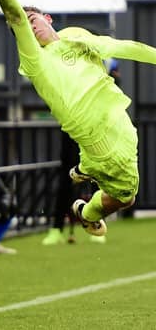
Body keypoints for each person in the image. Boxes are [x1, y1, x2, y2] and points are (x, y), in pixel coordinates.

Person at [0, 0, 156, 237]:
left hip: (119, 120)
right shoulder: (35, 61)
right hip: (94, 135)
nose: (29, 26)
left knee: (127, 194)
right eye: (24, 25)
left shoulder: (76, 34)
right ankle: (85, 211)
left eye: (33, 19)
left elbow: (121, 46)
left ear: (47, 18)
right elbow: (15, 18)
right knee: (127, 197)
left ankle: (86, 174)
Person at [42, 60, 122, 245]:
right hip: (72, 133)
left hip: (96, 134)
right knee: (65, 182)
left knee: (96, 181)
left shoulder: (107, 66)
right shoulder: (70, 69)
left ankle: (96, 226)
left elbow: (115, 94)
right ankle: (56, 229)